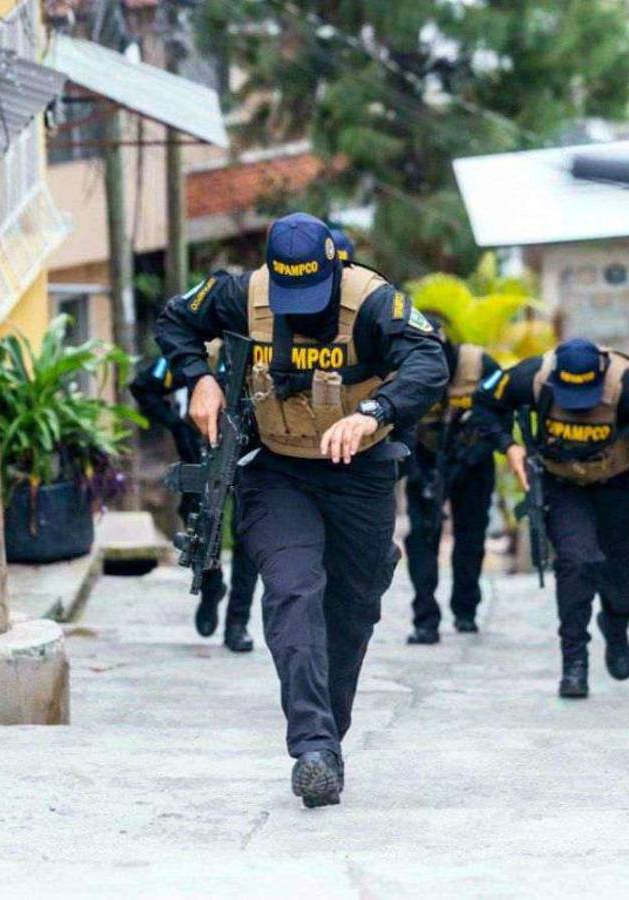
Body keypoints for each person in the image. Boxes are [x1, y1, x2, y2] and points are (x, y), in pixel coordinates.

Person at [155, 212, 447, 808]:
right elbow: (176, 319)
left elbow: (429, 362)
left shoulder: (373, 302)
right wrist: (199, 377)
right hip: (277, 470)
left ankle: (327, 740)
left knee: (351, 610)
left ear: (334, 269)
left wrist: (374, 411)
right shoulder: (245, 294)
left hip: (359, 471)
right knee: (293, 589)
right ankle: (312, 746)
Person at [471, 338, 629, 698]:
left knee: (620, 576)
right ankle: (574, 662)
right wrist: (508, 446)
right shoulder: (534, 376)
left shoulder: (628, 385)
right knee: (577, 562)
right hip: (562, 486)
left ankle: (616, 626)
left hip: (617, 485)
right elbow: (483, 402)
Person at [128, 355, 259, 653]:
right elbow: (143, 387)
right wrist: (177, 425)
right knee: (201, 530)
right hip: (199, 459)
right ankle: (211, 585)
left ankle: (237, 623)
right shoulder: (186, 356)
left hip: (246, 458)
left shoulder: (241, 351)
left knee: (248, 537)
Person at [403, 315, 503, 644]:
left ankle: (466, 610)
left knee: (470, 538)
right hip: (425, 461)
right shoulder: (401, 366)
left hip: (473, 464)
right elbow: (396, 425)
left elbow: (503, 416)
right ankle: (425, 619)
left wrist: (472, 454)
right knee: (422, 538)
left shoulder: (479, 364)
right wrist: (417, 473)